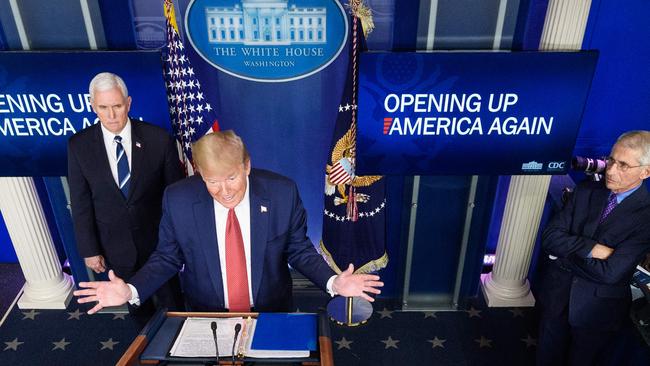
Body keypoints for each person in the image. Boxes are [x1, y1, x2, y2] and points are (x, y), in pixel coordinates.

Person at [74, 130, 383, 314]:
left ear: (246, 166)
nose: (223, 191)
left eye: (231, 177)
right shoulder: (178, 199)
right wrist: (131, 289)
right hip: (207, 313)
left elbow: (298, 250)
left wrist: (333, 281)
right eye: (212, 181)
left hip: (270, 311)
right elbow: (167, 257)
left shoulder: (281, 193)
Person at [67, 72, 185, 318]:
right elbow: (80, 202)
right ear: (92, 106)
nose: (111, 115)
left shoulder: (159, 139)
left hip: (159, 245)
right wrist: (90, 249)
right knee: (136, 309)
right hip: (115, 247)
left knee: (174, 306)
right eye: (103, 107)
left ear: (128, 103)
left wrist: (179, 240)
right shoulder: (79, 145)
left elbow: (175, 194)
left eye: (117, 106)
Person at [537, 130, 650, 365]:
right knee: (546, 355)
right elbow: (549, 237)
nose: (610, 170)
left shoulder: (646, 217)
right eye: (610, 159)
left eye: (623, 165)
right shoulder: (587, 190)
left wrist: (564, 257)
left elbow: (610, 273)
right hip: (557, 294)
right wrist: (593, 249)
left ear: (645, 172)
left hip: (597, 308)